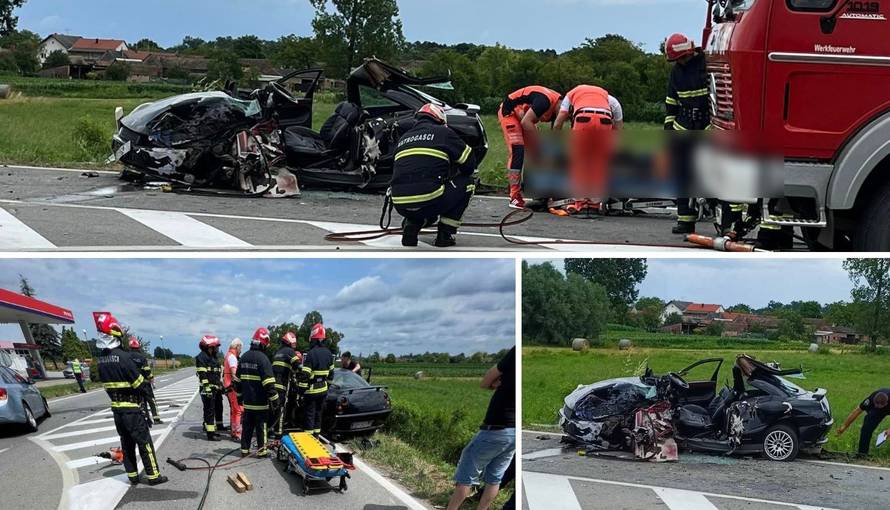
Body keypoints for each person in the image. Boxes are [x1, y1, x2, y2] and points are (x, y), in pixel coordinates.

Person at [92, 312, 167, 486]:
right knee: (144, 443)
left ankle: (132, 476)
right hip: (132, 409)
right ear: (117, 335)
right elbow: (140, 384)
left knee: (126, 444)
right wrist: (147, 394)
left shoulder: (101, 360)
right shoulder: (125, 358)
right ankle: (154, 476)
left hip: (117, 410)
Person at [391, 103, 478, 248]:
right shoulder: (443, 133)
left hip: (400, 203)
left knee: (422, 193)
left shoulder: (404, 138)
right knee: (468, 183)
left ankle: (412, 224)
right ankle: (445, 235)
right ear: (440, 119)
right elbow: (469, 165)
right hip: (430, 199)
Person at [447, 347, 515, 510]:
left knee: (466, 477)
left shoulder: (515, 353)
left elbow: (486, 382)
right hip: (514, 432)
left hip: (496, 428)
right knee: (495, 479)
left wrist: (498, 382)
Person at [664, 32, 710, 235]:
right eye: (676, 60)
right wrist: (669, 128)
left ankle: (726, 221)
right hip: (683, 125)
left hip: (707, 124)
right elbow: (671, 102)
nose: (680, 62)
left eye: (682, 58)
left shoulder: (706, 64)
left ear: (690, 52)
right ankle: (685, 220)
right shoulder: (676, 72)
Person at [498, 86, 563, 209]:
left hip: (522, 116)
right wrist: (539, 144)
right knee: (518, 150)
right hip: (510, 113)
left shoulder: (558, 109)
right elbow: (525, 122)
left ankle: (541, 191)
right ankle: (514, 196)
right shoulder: (545, 101)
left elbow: (554, 137)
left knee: (537, 152)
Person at [233, 327, 278, 457]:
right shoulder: (264, 359)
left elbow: (237, 382)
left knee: (247, 428)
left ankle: (244, 450)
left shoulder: (243, 358)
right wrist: (276, 400)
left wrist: (240, 398)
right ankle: (262, 451)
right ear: (264, 343)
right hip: (261, 403)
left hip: (247, 403)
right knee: (261, 428)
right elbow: (269, 384)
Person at [300, 323, 334, 435]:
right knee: (318, 414)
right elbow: (331, 375)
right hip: (323, 390)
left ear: (313, 339)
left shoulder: (311, 354)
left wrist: (301, 391)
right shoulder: (329, 354)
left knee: (309, 415)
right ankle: (317, 436)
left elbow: (305, 375)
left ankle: (309, 439)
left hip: (312, 391)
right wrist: (326, 387)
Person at [837, 388, 890, 456]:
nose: (879, 407)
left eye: (881, 406)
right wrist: (844, 426)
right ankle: (862, 454)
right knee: (867, 427)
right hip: (877, 411)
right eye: (877, 406)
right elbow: (857, 411)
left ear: (886, 403)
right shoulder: (870, 400)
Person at [272, 331, 302, 437]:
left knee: (273, 410)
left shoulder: (278, 352)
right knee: (280, 410)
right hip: (281, 386)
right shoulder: (289, 351)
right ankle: (278, 435)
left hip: (272, 386)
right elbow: (298, 365)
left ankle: (270, 431)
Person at [195, 335, 225, 441]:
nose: (217, 349)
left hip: (214, 389)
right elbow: (203, 375)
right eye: (216, 347)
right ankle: (210, 434)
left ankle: (212, 430)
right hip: (207, 390)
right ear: (209, 347)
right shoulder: (201, 357)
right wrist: (207, 388)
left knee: (213, 409)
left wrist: (220, 385)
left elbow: (215, 374)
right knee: (209, 411)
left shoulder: (213, 357)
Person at [128, 336, 162, 424]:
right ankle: (156, 418)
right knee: (151, 401)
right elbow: (147, 370)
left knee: (141, 402)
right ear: (138, 347)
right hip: (145, 384)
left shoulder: (127, 357)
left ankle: (146, 419)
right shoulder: (142, 357)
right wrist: (151, 378)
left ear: (130, 347)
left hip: (134, 384)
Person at [222, 338, 243, 441]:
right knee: (238, 410)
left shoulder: (227, 355)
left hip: (228, 386)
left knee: (234, 410)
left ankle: (233, 431)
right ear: (237, 346)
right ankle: (237, 433)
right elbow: (234, 374)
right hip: (233, 387)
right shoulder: (232, 357)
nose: (241, 350)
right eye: (240, 348)